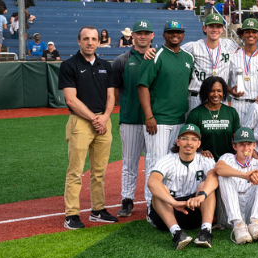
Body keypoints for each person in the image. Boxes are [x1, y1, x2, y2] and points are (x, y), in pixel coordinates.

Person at [58, 26, 117, 229]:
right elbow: (71, 100)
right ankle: (71, 214)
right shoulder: (69, 65)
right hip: (81, 122)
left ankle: (97, 210)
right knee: (75, 171)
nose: (90, 42)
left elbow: (111, 96)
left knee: (99, 171)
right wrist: (95, 119)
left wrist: (106, 117)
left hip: (104, 121)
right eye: (86, 39)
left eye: (93, 39)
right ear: (79, 41)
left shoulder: (105, 65)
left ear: (98, 42)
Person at [137, 20, 195, 207]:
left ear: (183, 35)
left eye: (178, 32)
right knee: (156, 163)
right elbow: (143, 86)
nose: (174, 35)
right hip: (159, 120)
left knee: (173, 163)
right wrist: (149, 116)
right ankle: (150, 206)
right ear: (164, 35)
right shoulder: (156, 55)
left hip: (180, 119)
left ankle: (169, 202)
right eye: (170, 32)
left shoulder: (188, 57)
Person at [146, 124, 217, 249]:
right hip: (168, 211)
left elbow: (214, 178)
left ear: (199, 144)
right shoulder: (167, 160)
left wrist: (201, 196)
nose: (189, 143)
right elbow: (152, 182)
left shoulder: (206, 159)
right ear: (177, 142)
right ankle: (177, 233)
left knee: (206, 186)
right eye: (185, 138)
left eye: (194, 139)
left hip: (194, 208)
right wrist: (173, 202)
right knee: (159, 193)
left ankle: (206, 231)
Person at [110, 19, 154, 218]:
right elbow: (116, 91)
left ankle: (152, 201)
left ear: (152, 35)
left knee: (153, 163)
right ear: (133, 36)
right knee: (129, 162)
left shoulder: (158, 57)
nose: (142, 36)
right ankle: (127, 199)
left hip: (154, 120)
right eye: (139, 33)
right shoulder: (122, 60)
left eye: (146, 33)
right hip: (130, 119)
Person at [214, 127, 258, 244]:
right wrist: (244, 175)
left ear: (254, 145)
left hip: (251, 214)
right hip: (228, 218)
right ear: (235, 146)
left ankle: (256, 224)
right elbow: (219, 168)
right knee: (224, 176)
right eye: (242, 144)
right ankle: (238, 224)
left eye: (249, 144)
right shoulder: (227, 158)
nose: (246, 148)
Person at [229, 18, 258, 125]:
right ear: (241, 35)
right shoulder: (233, 55)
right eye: (247, 32)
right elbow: (224, 79)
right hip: (238, 103)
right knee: (239, 138)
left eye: (254, 32)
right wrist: (230, 90)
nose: (251, 35)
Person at [185, 76, 242, 161]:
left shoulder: (231, 112)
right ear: (206, 92)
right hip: (204, 159)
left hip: (227, 160)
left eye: (219, 91)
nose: (216, 94)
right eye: (211, 91)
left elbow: (238, 140)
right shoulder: (195, 114)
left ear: (223, 93)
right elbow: (188, 141)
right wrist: (200, 151)